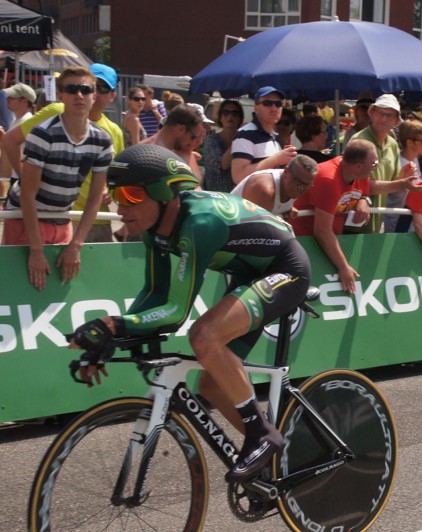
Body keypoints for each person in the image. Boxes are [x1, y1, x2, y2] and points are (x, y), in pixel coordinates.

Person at [70, 143, 309, 484]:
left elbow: (175, 313)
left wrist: (111, 325)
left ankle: (261, 436)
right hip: (249, 275)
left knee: (204, 336)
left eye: (131, 195)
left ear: (162, 194)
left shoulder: (199, 223)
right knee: (211, 384)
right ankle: (274, 460)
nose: (121, 207)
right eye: (116, 196)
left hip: (286, 269)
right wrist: (111, 340)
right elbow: (154, 294)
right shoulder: (154, 229)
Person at [1, 66, 113, 290]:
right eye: (71, 89)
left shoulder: (102, 140)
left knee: (58, 287)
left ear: (94, 95)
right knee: (17, 288)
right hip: (25, 219)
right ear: (60, 95)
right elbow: (27, 195)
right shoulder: (43, 134)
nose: (79, 95)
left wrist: (77, 245)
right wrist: (35, 250)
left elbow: (94, 198)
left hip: (62, 219)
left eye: (85, 89)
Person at [290, 139, 422, 293]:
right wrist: (344, 267)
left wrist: (400, 185)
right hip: (303, 243)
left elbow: (368, 188)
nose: (376, 167)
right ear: (358, 166)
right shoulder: (329, 180)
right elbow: (322, 231)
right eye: (374, 164)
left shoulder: (354, 171)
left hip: (325, 243)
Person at [350, 93, 416, 233]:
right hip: (352, 223)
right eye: (380, 113)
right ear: (372, 113)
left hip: (376, 224)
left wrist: (403, 176)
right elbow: (356, 184)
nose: (383, 119)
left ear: (396, 121)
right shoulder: (359, 140)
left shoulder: (392, 144)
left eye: (389, 115)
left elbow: (391, 185)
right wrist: (402, 183)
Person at [231, 86, 296, 184]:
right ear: (256, 108)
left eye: (278, 104)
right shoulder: (245, 134)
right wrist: (276, 159)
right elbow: (238, 176)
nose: (274, 108)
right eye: (267, 103)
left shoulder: (273, 136)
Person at [230, 154, 318, 218]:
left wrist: (285, 210)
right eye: (297, 181)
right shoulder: (264, 190)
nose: (300, 188)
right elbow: (255, 230)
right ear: (286, 172)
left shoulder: (291, 184)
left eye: (306, 184)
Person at [385, 119, 422, 232]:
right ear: (409, 143)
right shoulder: (396, 162)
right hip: (394, 224)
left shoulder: (416, 159)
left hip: (410, 222)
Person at [143, 104, 205, 178]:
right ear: (181, 129)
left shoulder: (183, 150)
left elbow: (197, 182)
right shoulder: (147, 156)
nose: (195, 143)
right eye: (193, 137)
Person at [202, 99, 244, 192]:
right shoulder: (211, 139)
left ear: (240, 118)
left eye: (235, 113)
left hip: (238, 193)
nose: (230, 116)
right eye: (226, 113)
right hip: (215, 194)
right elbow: (223, 165)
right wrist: (238, 140)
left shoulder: (245, 140)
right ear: (220, 117)